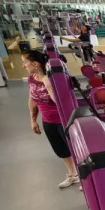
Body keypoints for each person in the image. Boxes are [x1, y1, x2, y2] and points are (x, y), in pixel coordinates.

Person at [24, 50, 80, 188]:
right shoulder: (31, 79)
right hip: (48, 121)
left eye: (25, 63)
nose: (24, 66)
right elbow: (32, 99)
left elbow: (60, 102)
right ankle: (73, 175)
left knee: (76, 150)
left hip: (64, 120)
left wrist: (47, 83)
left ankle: (84, 177)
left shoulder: (53, 79)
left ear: (35, 64)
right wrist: (33, 120)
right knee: (61, 150)